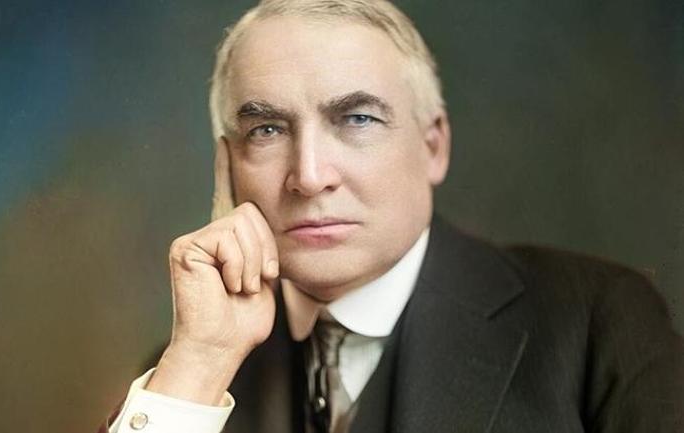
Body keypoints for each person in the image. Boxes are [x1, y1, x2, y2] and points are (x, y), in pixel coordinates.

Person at [101, 1, 684, 432]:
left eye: (357, 119)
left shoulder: (597, 322)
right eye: (268, 129)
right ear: (226, 166)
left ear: (434, 146)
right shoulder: (188, 376)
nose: (309, 175)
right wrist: (201, 362)